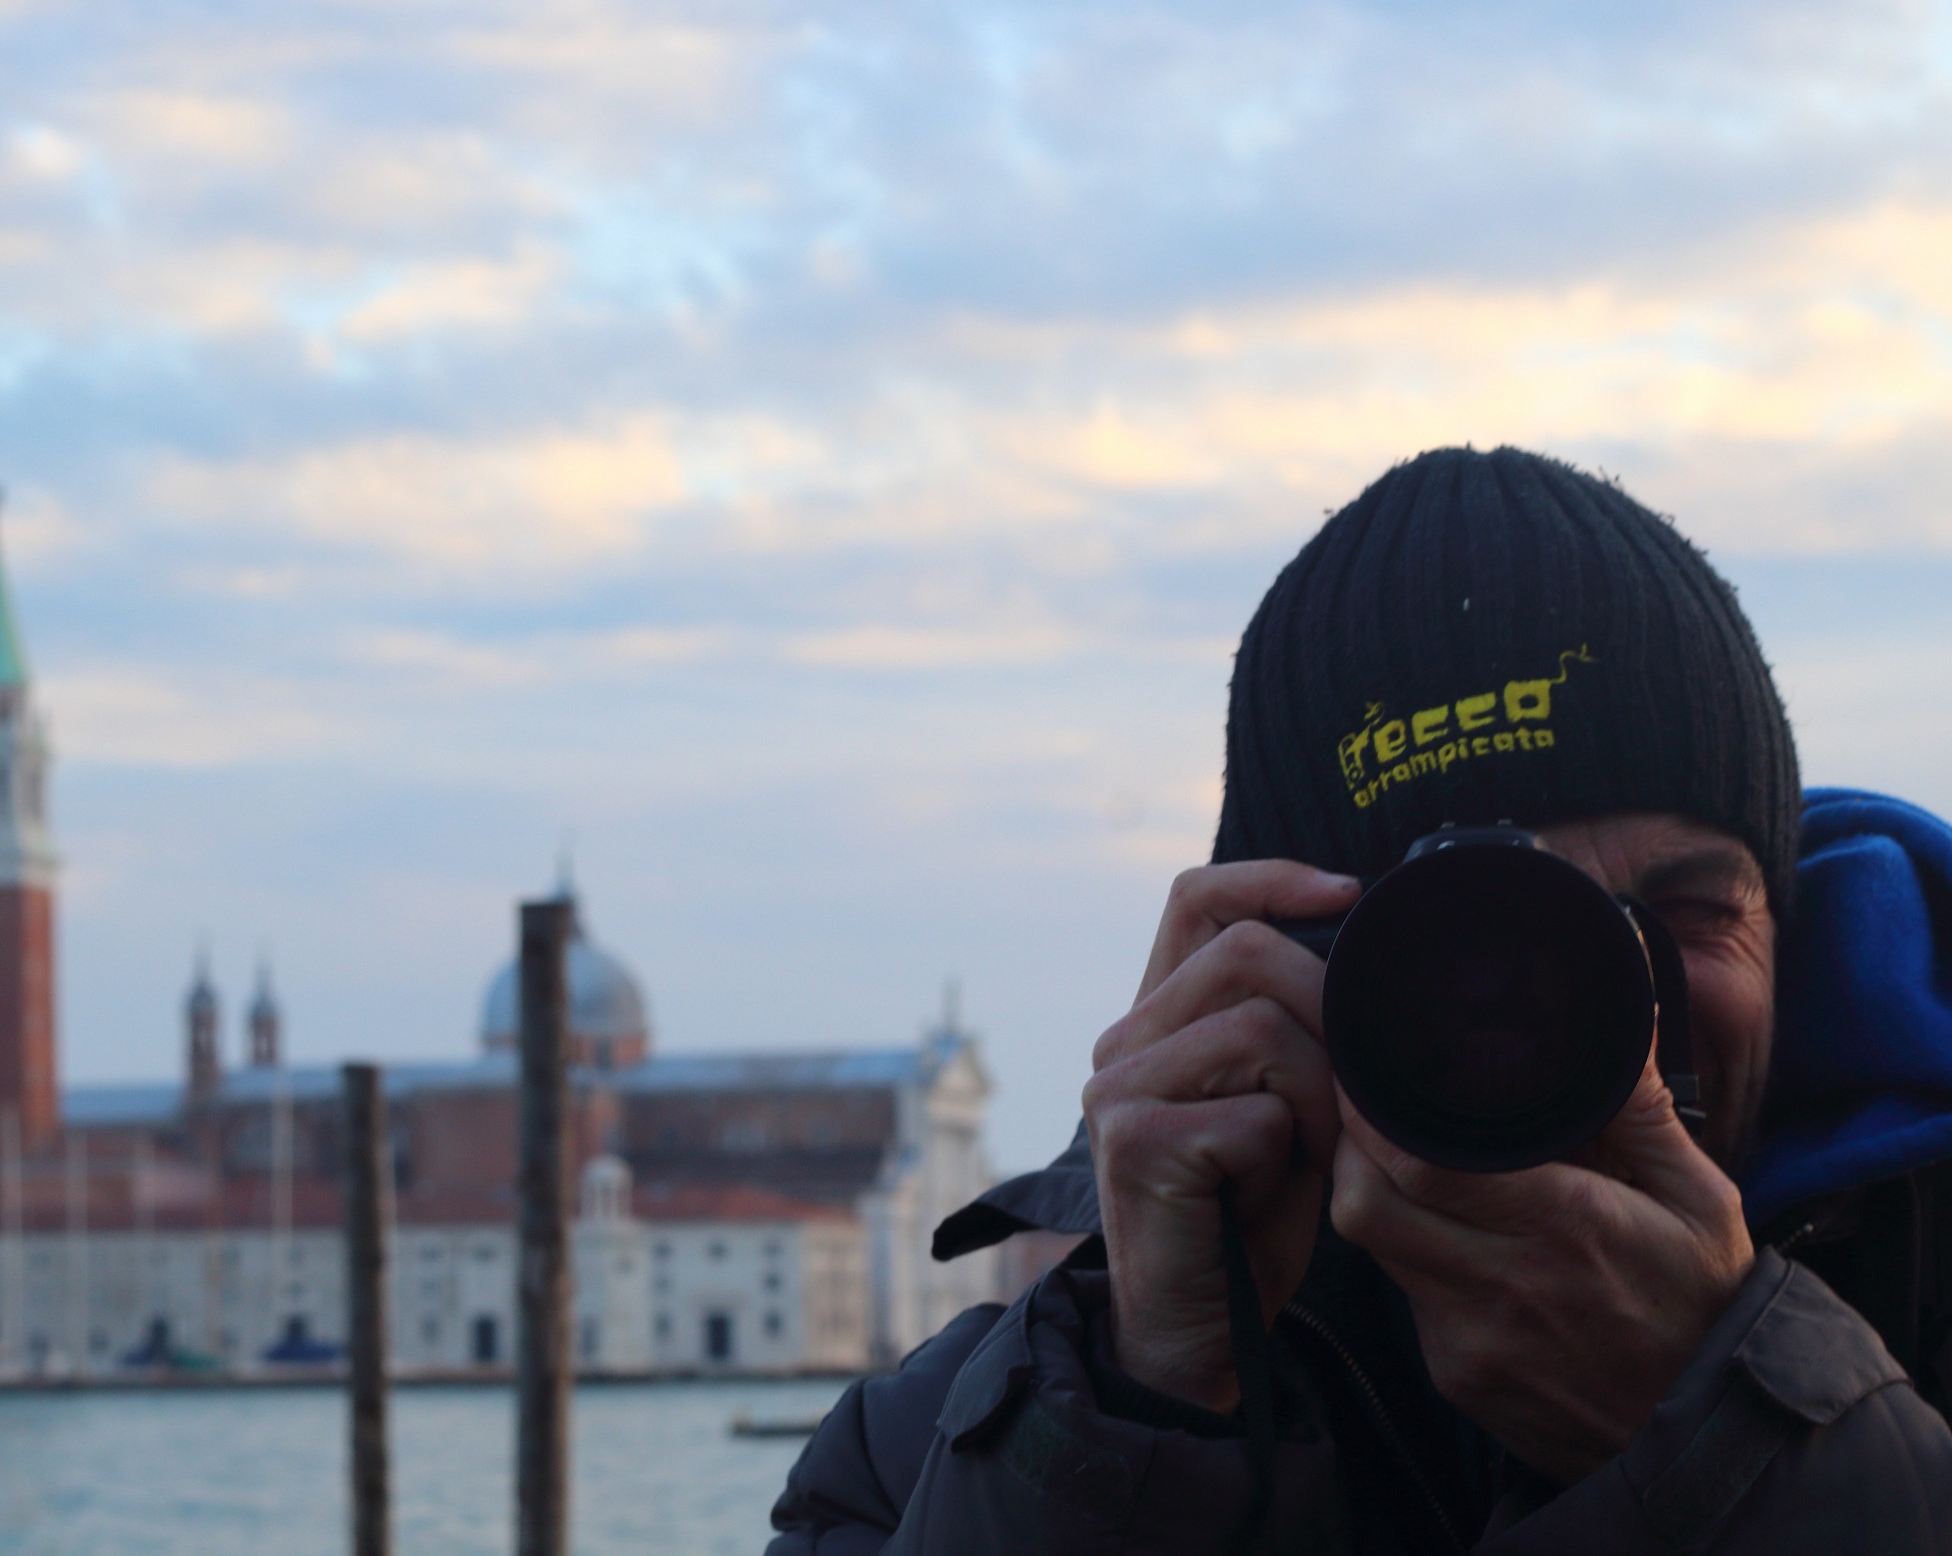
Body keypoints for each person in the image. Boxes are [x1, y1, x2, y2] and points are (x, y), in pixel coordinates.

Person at [767, 447, 1952, 1553]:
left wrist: (1733, 1432)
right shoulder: (931, 1457)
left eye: (1688, 913)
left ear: (1791, 940)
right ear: (1276, 965)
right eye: (1485, 937)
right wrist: (1138, 1411)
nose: (1613, 1007)